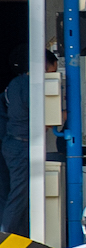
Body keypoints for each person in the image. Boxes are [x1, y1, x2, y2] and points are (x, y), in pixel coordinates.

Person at [0, 49, 58, 236]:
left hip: (12, 143)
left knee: (18, 194)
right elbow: (43, 118)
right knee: (20, 194)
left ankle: (20, 238)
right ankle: (5, 238)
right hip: (22, 145)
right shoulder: (33, 87)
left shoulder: (14, 84)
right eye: (51, 73)